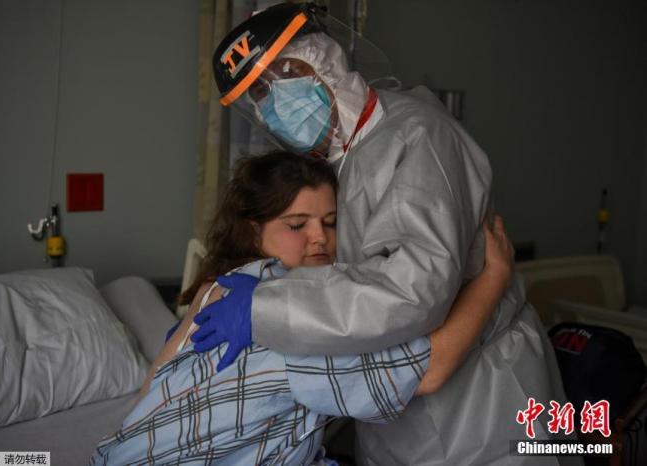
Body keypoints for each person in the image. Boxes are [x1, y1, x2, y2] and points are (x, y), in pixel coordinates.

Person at [195, 3, 575, 465]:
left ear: (326, 60)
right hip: (397, 414)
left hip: (482, 403)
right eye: (259, 93)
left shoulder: (419, 137)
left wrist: (264, 307)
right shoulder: (344, 161)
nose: (276, 102)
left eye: (288, 73)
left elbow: (411, 292)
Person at [90, 152, 515, 465]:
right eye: (296, 225)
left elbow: (149, 392)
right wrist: (494, 278)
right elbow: (429, 369)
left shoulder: (215, 288)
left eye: (331, 222)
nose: (319, 239)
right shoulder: (282, 310)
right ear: (254, 231)